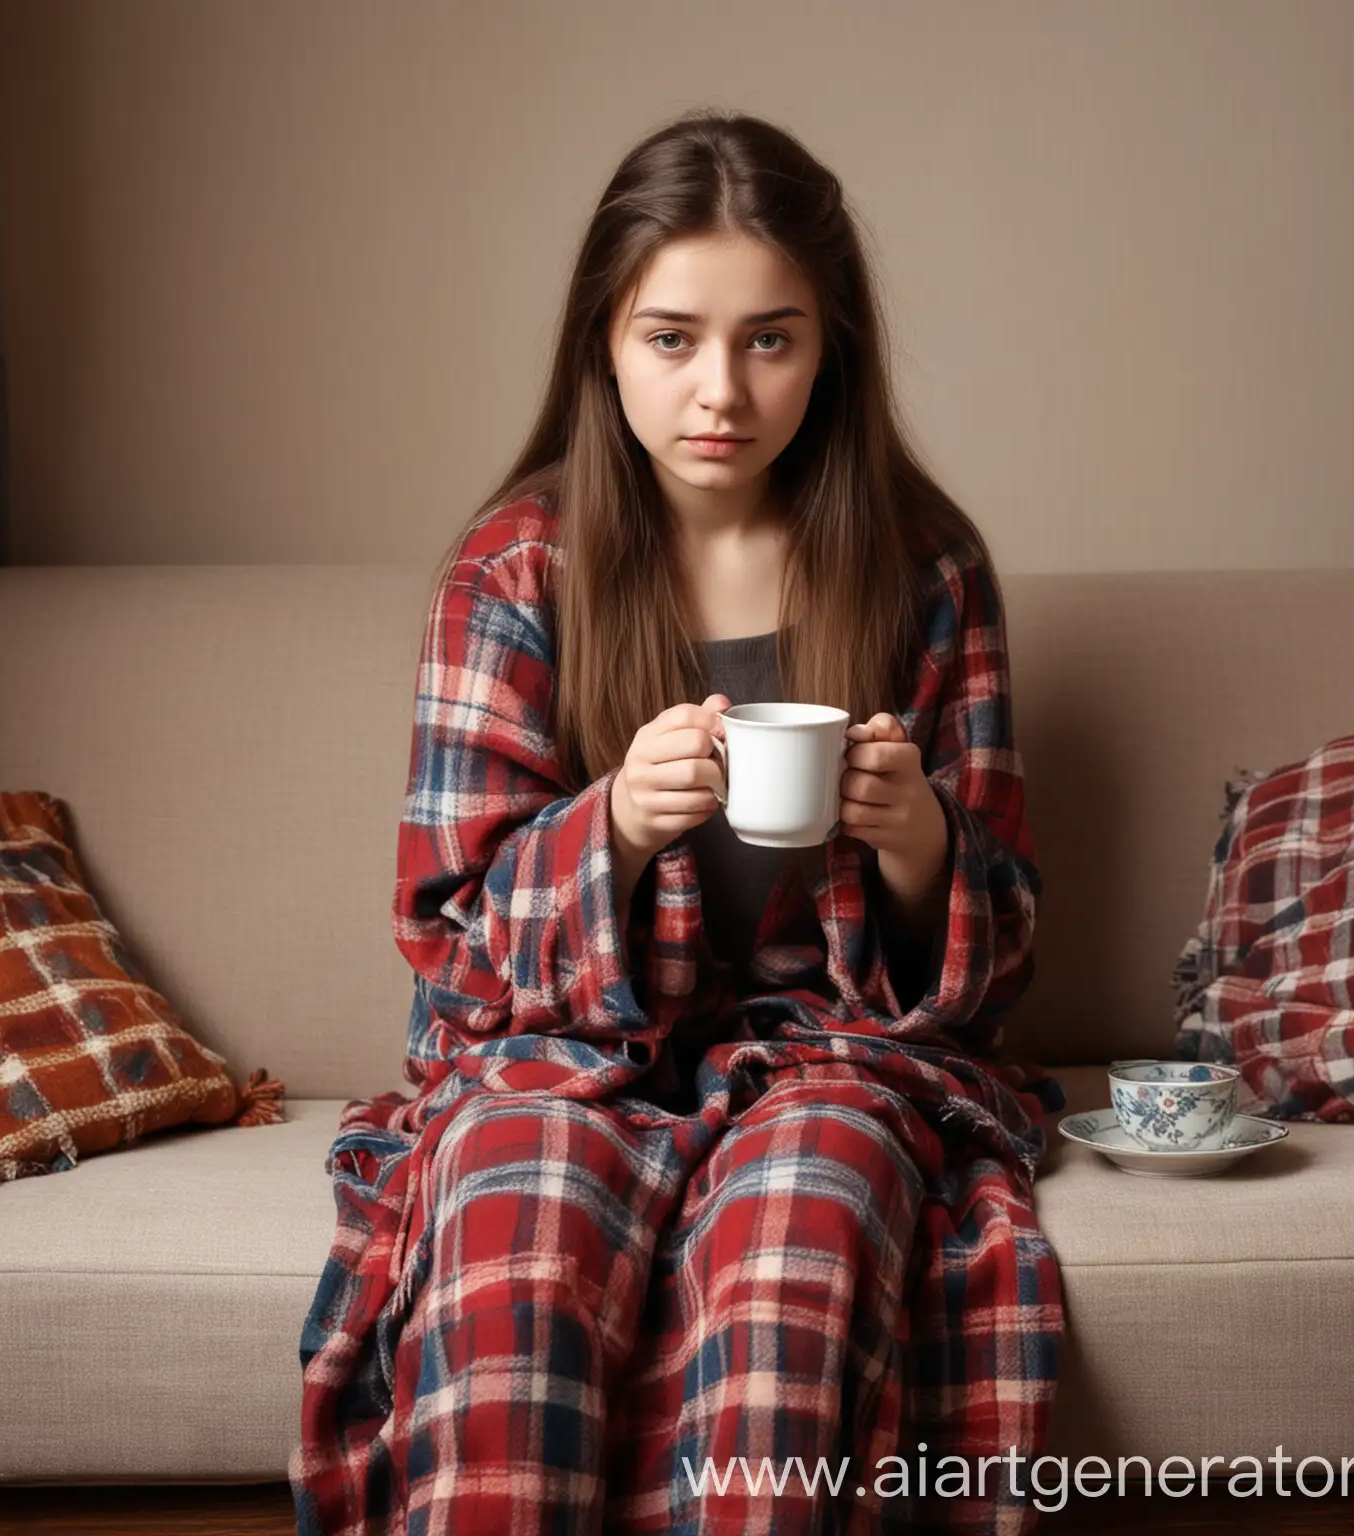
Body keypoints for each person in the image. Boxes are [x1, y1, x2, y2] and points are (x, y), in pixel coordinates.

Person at [290, 108, 1065, 1536]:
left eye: (771, 339)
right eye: (672, 339)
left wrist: (918, 845)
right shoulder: (516, 565)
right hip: (563, 1056)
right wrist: (613, 831)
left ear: (832, 348)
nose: (723, 389)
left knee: (805, 1231)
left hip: (829, 1060)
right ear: (605, 341)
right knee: (518, 1233)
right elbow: (450, 948)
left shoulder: (925, 568)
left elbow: (997, 958)